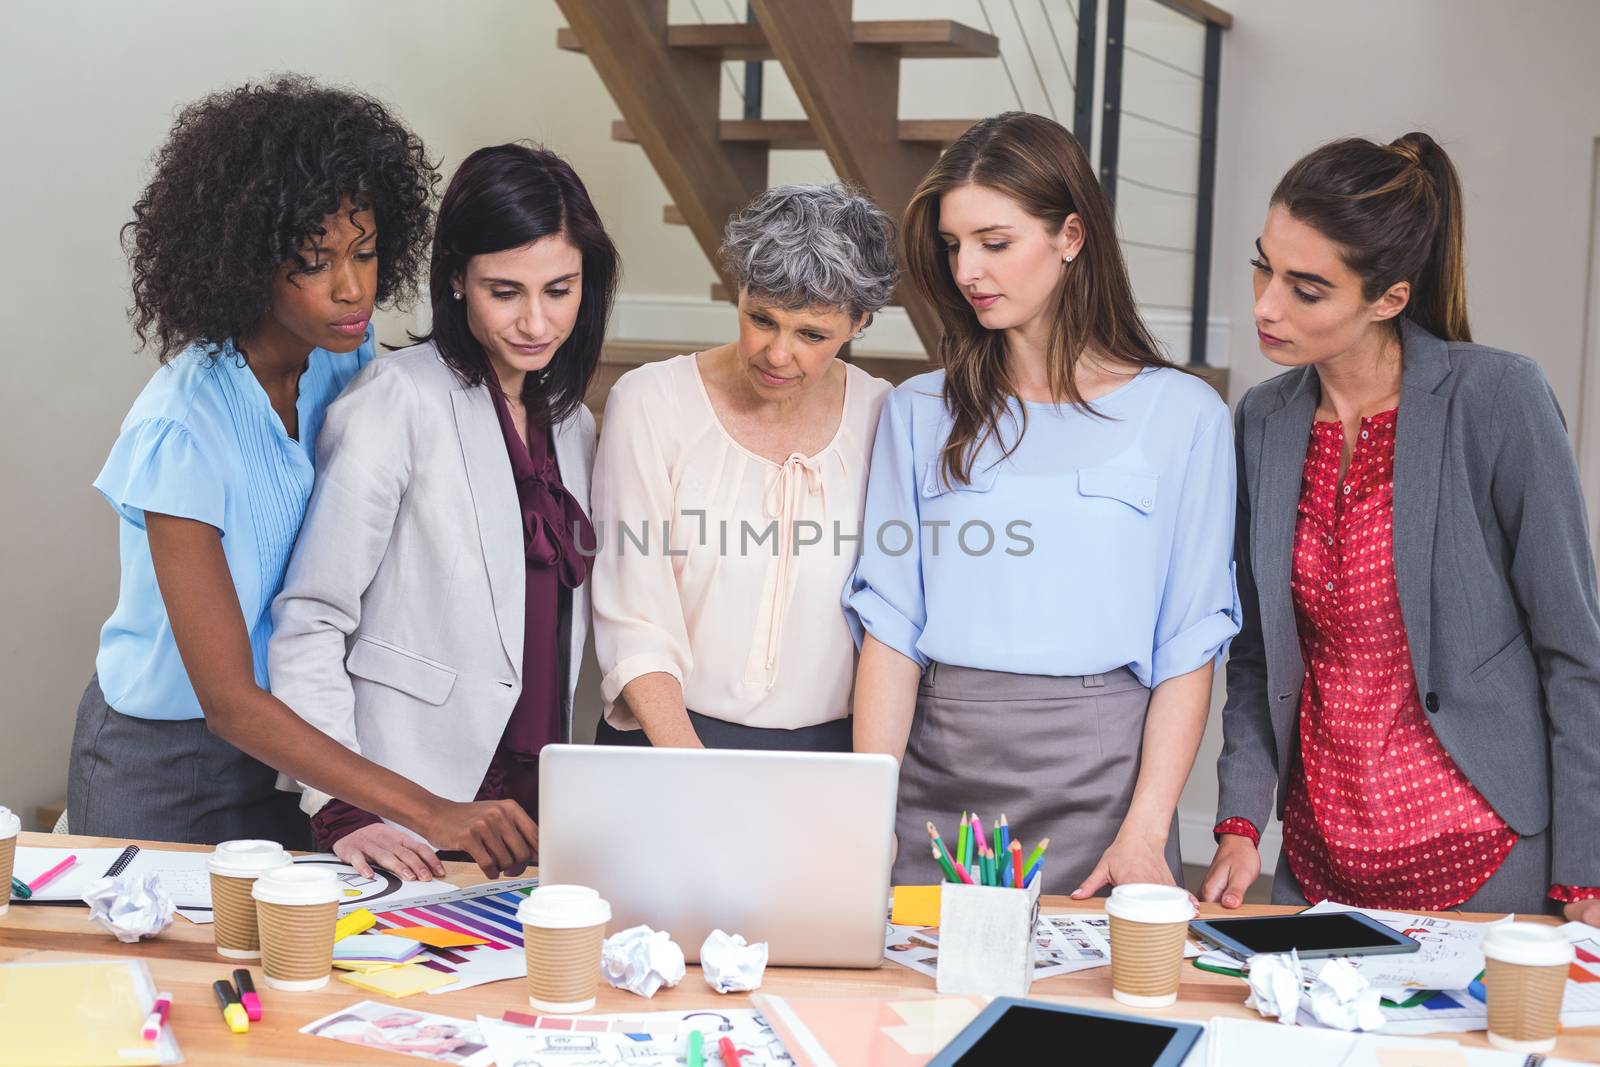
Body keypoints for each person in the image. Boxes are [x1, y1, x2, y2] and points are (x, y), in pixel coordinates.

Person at [1200, 133, 1600, 924]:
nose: (1265, 305)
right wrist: (1241, 821)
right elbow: (1256, 652)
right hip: (1317, 861)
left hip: (1483, 851)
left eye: (1306, 288)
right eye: (1263, 265)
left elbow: (1574, 648)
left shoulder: (1499, 398)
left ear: (1388, 298)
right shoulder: (1262, 421)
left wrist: (1587, 870)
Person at [847, 112, 1239, 896]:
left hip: (1103, 784)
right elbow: (889, 630)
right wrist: (866, 819)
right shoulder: (917, 411)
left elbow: (1190, 643)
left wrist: (1147, 830)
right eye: (955, 245)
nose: (967, 270)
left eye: (995, 242)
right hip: (936, 772)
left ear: (1071, 235)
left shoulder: (1185, 415)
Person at [67, 77, 434, 849]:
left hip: (292, 747)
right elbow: (228, 700)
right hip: (163, 765)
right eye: (315, 261)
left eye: (365, 252)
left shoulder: (346, 357)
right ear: (245, 263)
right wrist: (427, 808)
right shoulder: (182, 429)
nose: (353, 287)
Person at [270, 144, 616, 880]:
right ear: (456, 278)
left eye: (559, 289)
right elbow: (309, 618)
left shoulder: (575, 423)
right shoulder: (397, 398)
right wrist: (342, 805)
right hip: (401, 800)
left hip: (534, 798)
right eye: (504, 290)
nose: (535, 321)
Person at [590, 183, 896, 750]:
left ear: (859, 323)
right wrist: (696, 772)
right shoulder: (651, 403)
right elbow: (632, 617)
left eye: (811, 334)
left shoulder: (885, 417)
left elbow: (894, 618)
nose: (778, 354)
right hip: (667, 742)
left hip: (832, 753)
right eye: (761, 319)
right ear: (740, 292)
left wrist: (872, 778)